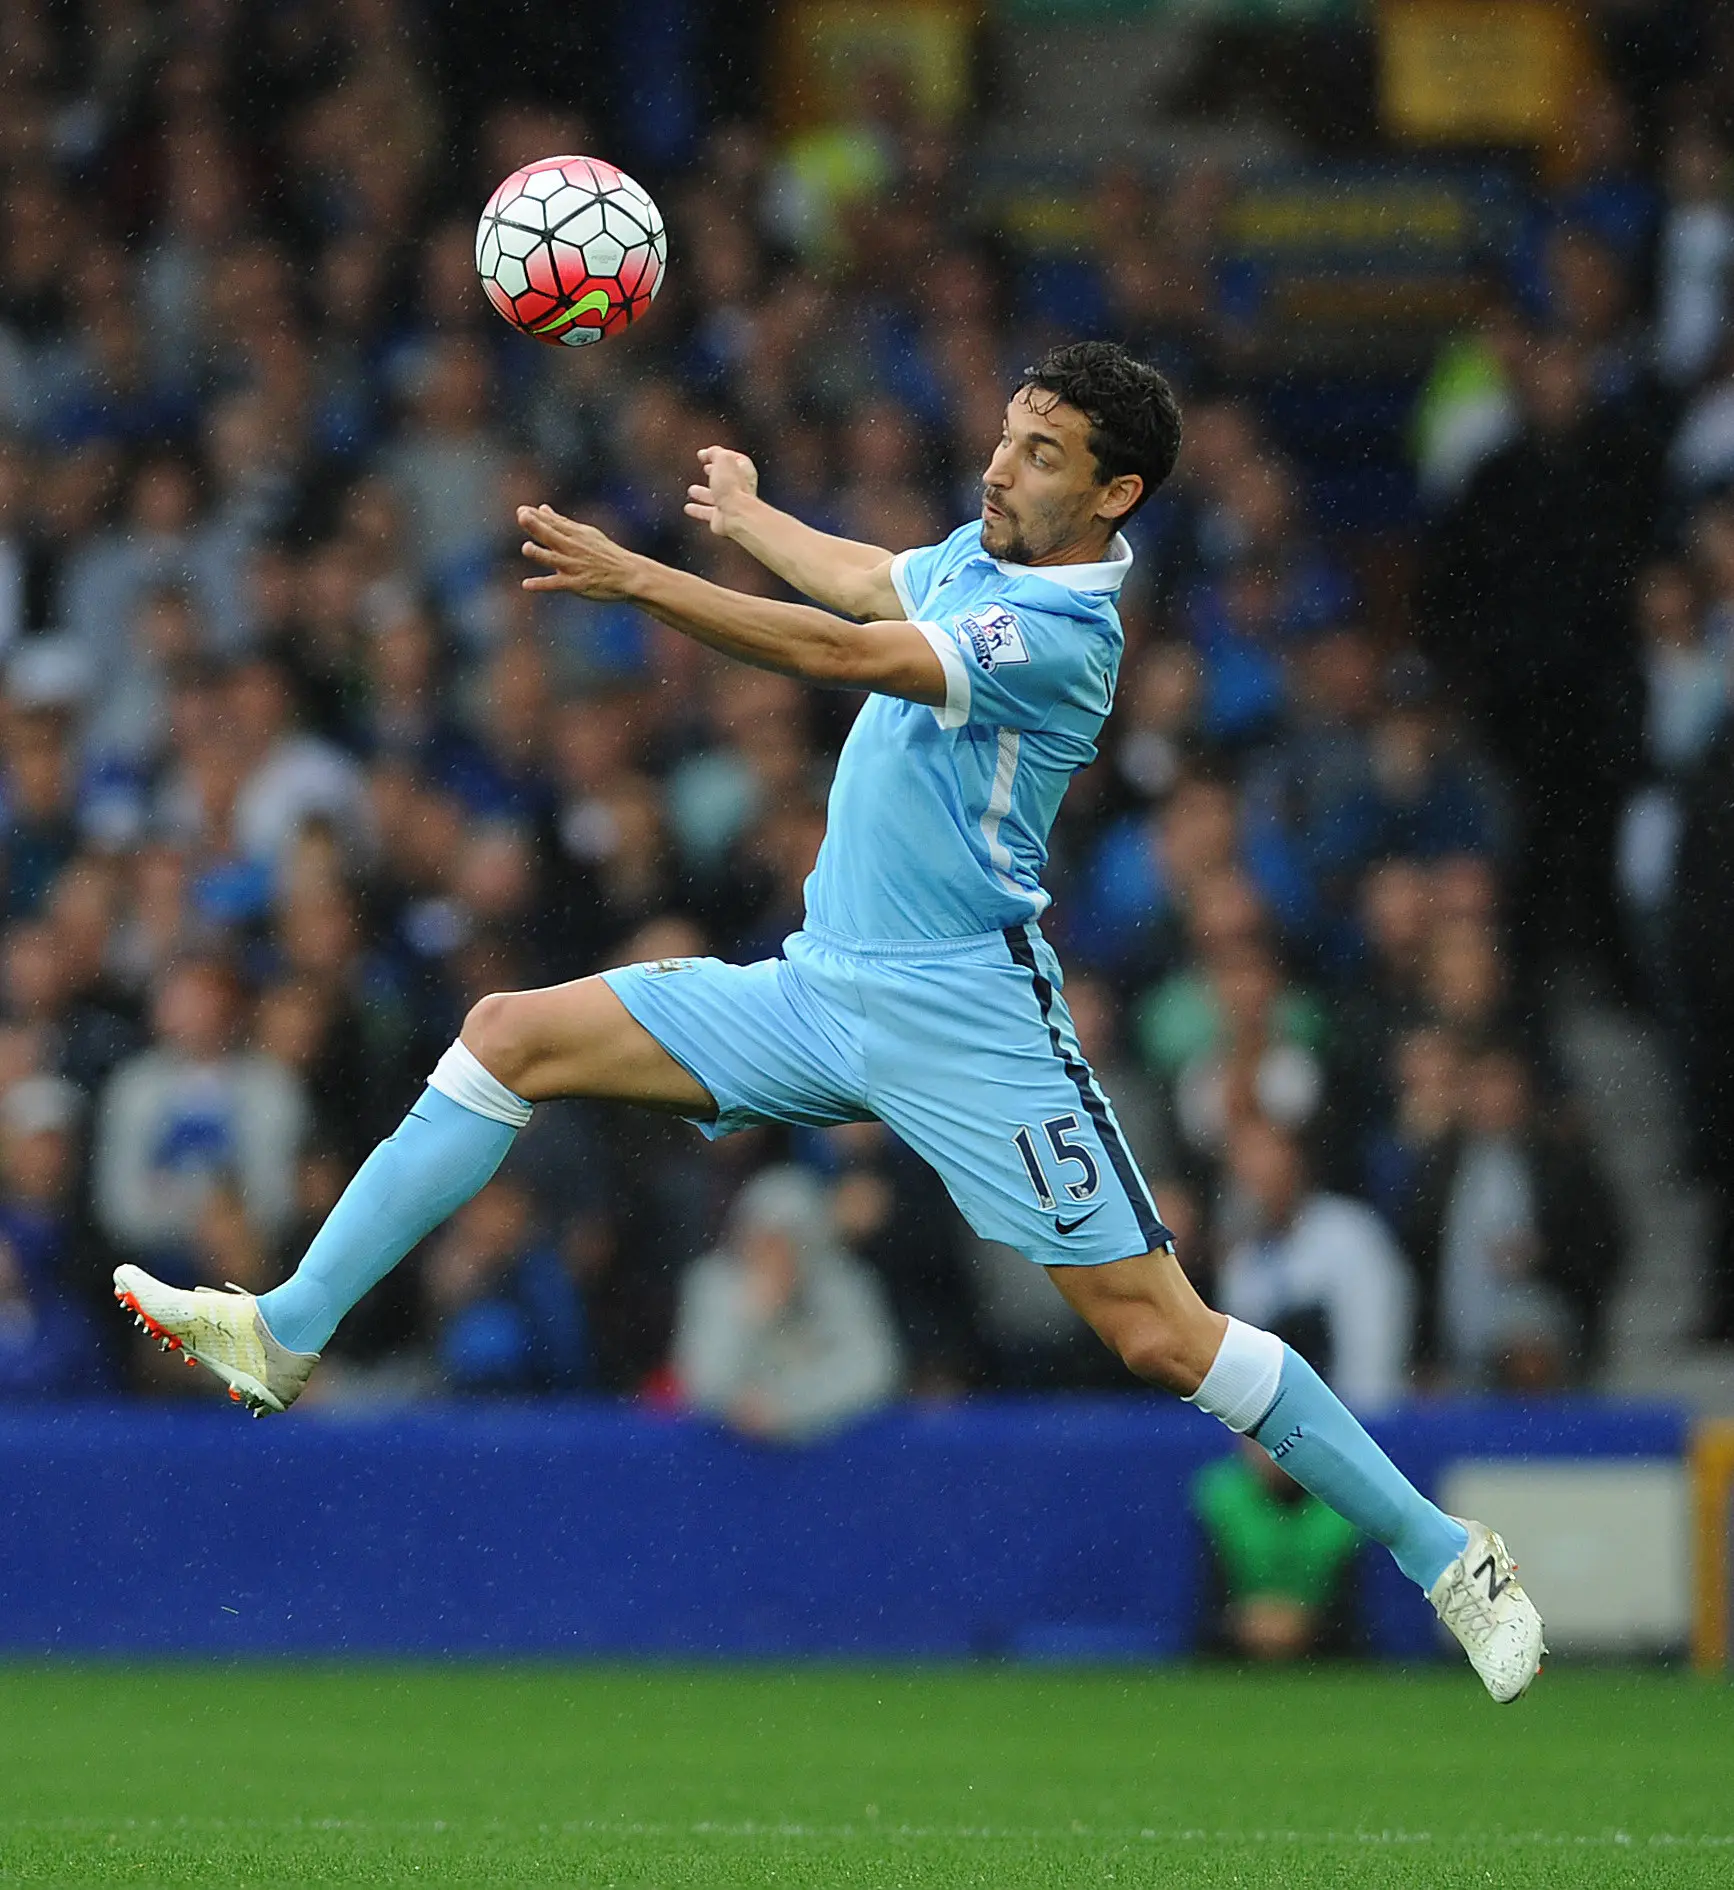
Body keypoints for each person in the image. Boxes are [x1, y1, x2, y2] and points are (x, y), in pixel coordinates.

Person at [113, 340, 1542, 1701]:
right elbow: (870, 580)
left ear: (1114, 495)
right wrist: (749, 515)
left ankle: (1443, 1553)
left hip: (967, 1021)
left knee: (1159, 1337)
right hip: (815, 986)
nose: (998, 465)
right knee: (506, 1031)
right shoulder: (982, 558)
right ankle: (287, 1330)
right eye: (1002, 433)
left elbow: (852, 653)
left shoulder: (1063, 629)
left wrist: (646, 581)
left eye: (1039, 454)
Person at [672, 1164, 902, 1442]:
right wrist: (751, 1318)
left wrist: (790, 1407)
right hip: (734, 1457)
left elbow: (875, 1370)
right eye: (764, 1238)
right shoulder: (712, 1283)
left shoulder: (845, 1283)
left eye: (788, 1240)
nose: (775, 1253)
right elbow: (700, 1382)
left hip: (829, 1450)